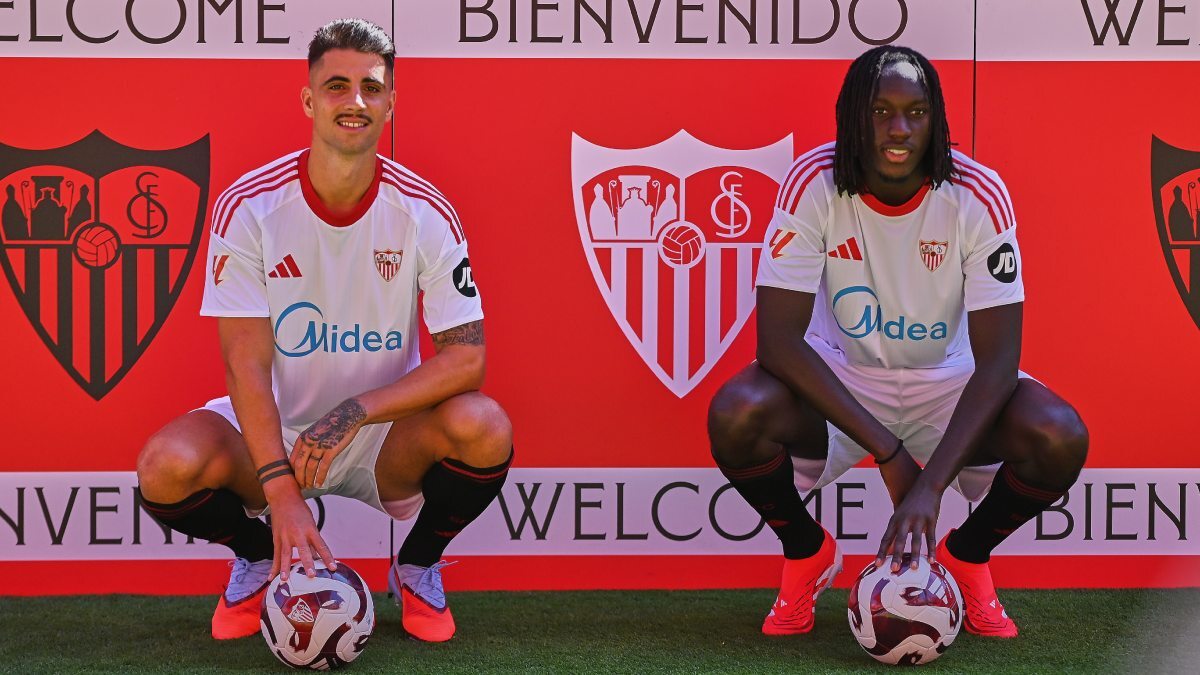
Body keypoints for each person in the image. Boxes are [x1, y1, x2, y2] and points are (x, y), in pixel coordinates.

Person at [135, 18, 513, 644]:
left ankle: (417, 564)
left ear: (391, 102)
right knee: (164, 466)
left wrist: (356, 411)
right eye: (337, 86)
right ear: (309, 100)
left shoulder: (424, 211)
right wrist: (279, 489)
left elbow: (465, 360)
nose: (355, 101)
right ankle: (259, 555)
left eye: (371, 87)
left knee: (485, 425)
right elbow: (245, 364)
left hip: (382, 434)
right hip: (273, 429)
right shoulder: (251, 206)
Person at [707, 45, 1087, 639]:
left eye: (916, 111)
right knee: (736, 413)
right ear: (852, 116)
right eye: (881, 111)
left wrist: (929, 488)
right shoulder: (813, 184)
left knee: (1060, 435)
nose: (899, 129)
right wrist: (890, 455)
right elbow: (777, 343)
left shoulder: (977, 194)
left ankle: (968, 558)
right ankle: (806, 553)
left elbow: (1000, 363)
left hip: (950, 383)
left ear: (936, 120)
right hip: (846, 378)